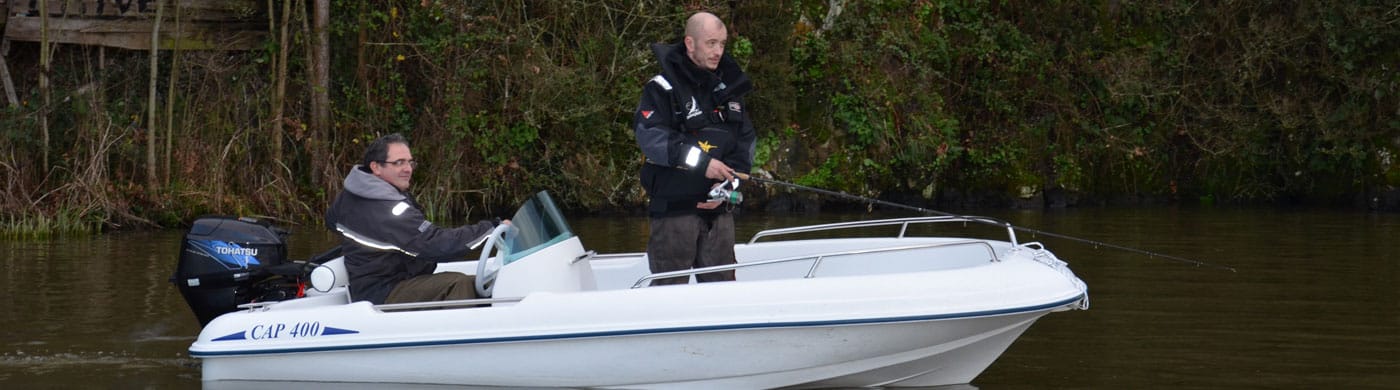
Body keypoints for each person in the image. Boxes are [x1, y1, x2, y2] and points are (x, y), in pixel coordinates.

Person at [632, 11, 756, 285]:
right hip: (675, 213)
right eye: (711, 43)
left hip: (719, 214)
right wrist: (704, 164)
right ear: (690, 43)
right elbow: (652, 139)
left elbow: (744, 145)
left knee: (723, 291)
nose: (718, 51)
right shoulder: (661, 89)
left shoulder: (730, 92)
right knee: (670, 290)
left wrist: (728, 189)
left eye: (722, 44)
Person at [325, 133, 508, 304]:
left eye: (410, 162)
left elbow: (331, 221)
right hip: (382, 291)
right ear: (376, 167)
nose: (407, 169)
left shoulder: (351, 195)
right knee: (460, 283)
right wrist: (490, 228)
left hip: (380, 283)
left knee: (475, 281)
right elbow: (435, 244)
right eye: (399, 162)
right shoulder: (387, 208)